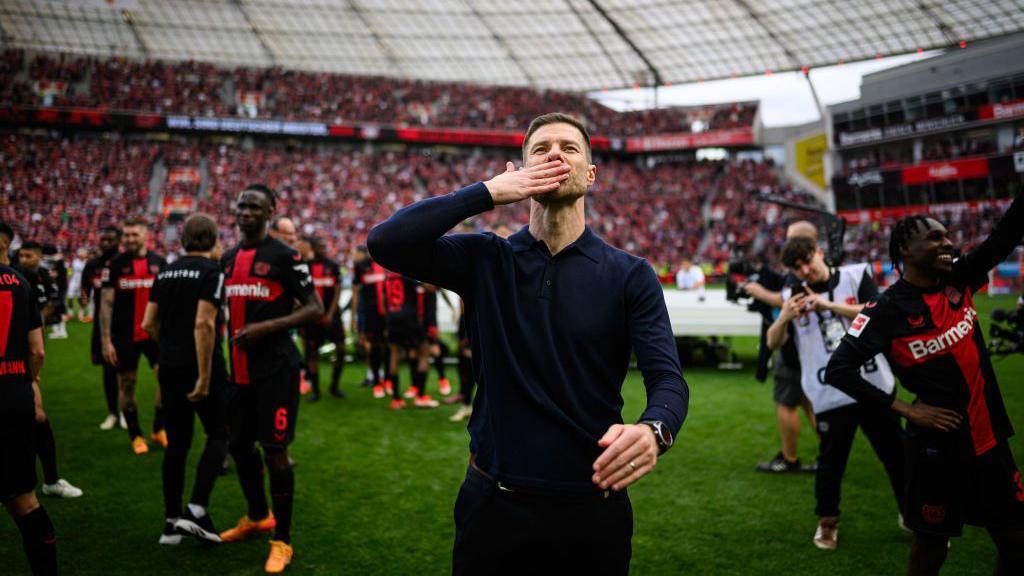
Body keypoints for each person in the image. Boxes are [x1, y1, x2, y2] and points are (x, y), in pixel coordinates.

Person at [368, 112, 688, 574]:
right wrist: (485, 194)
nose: (555, 153)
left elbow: (668, 380)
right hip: (494, 504)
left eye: (569, 148)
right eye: (541, 149)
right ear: (519, 171)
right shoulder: (485, 258)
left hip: (592, 505)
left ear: (590, 175)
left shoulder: (630, 274)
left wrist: (653, 430)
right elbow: (385, 242)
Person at [826, 203, 1024, 574]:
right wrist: (904, 408)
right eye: (935, 237)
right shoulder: (884, 310)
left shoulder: (960, 277)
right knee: (930, 549)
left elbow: (1005, 236)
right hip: (938, 451)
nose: (948, 243)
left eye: (947, 235)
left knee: (1016, 542)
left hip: (991, 440)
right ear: (906, 250)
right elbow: (838, 369)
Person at [766, 236, 905, 550]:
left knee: (898, 454)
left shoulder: (856, 275)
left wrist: (827, 305)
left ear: (820, 253)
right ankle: (827, 523)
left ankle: (911, 513)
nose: (804, 270)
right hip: (830, 391)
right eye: (797, 267)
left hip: (872, 384)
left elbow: (876, 314)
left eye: (807, 261)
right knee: (831, 464)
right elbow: (772, 343)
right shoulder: (792, 295)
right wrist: (785, 317)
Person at [218, 184, 323, 574]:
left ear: (269, 213)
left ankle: (283, 540)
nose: (246, 212)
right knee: (240, 447)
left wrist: (267, 327)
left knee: (275, 451)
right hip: (238, 373)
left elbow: (314, 308)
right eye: (242, 205)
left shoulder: (285, 256)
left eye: (255, 207)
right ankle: (257, 515)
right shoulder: (227, 259)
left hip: (276, 370)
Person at [141, 214, 229, 545]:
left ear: (184, 240)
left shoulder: (165, 270)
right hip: (201, 366)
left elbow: (148, 323)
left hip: (170, 365)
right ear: (213, 239)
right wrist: (205, 377)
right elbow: (204, 325)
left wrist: (170, 347)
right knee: (221, 432)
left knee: (177, 443)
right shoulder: (212, 271)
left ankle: (170, 523)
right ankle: (196, 509)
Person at [6, 237, 83, 500]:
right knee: (33, 416)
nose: (24, 259)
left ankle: (49, 480)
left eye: (30, 255)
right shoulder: (16, 279)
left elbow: (50, 306)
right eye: (22, 255)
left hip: (18, 362)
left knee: (36, 415)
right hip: (18, 364)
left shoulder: (25, 279)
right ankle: (45, 481)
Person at [741, 221, 819, 474]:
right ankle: (829, 454)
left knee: (787, 402)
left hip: (794, 345)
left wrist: (759, 292)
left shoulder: (800, 269)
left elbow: (788, 299)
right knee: (810, 402)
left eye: (790, 239)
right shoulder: (817, 267)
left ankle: (790, 457)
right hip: (812, 346)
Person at [0, 257, 58, 576]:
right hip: (13, 396)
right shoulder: (19, 282)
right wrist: (30, 381)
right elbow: (38, 350)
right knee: (24, 499)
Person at [101, 217, 167, 454]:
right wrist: (106, 340)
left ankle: (158, 428)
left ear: (146, 235)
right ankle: (135, 434)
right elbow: (106, 305)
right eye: (126, 235)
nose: (129, 239)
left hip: (155, 336)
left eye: (134, 235)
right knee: (127, 385)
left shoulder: (160, 263)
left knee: (167, 381)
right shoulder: (115, 265)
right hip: (124, 336)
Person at [81, 226, 123, 430]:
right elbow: (84, 291)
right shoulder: (92, 265)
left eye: (110, 239)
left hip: (123, 324)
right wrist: (83, 298)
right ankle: (112, 413)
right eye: (103, 239)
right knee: (108, 370)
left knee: (124, 371)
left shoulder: (125, 263)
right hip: (102, 326)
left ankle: (125, 411)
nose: (105, 243)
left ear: (119, 241)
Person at [383, 271, 438, 409]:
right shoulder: (406, 271)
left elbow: (384, 297)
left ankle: (396, 399)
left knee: (394, 356)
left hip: (392, 318)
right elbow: (428, 286)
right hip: (410, 318)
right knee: (423, 354)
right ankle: (420, 396)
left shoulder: (388, 273)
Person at [303, 236, 345, 401]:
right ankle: (316, 391)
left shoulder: (333, 266)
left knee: (340, 350)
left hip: (332, 317)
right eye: (320, 247)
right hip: (313, 318)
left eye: (324, 246)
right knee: (312, 354)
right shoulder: (306, 267)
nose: (324, 249)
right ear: (313, 248)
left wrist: (330, 314)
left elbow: (337, 291)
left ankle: (335, 386)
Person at [351, 246, 389, 395]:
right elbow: (355, 292)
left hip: (388, 314)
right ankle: (377, 382)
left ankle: (387, 379)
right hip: (370, 314)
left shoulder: (387, 263)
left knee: (389, 346)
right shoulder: (361, 266)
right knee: (373, 347)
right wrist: (354, 317)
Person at [67, 247, 88, 322]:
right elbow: (69, 269)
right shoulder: (74, 261)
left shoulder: (87, 262)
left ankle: (81, 314)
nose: (81, 254)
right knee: (70, 297)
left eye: (83, 252)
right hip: (73, 281)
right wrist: (69, 279)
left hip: (82, 282)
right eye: (80, 252)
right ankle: (70, 313)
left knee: (81, 299)